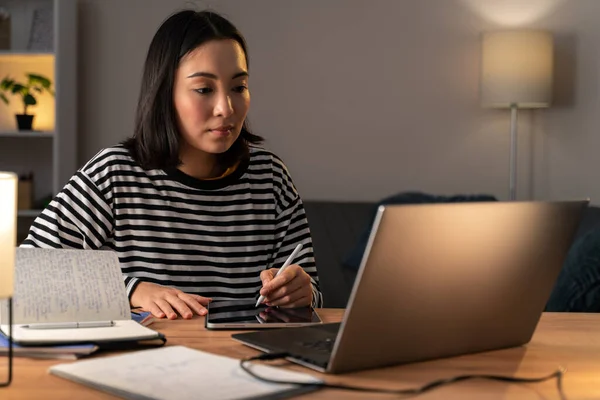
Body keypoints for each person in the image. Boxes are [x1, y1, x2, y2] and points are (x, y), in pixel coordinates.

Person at [21, 9, 323, 319]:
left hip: (243, 361)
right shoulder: (114, 174)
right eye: (204, 89)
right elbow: (25, 272)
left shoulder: (271, 179)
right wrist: (131, 290)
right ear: (165, 94)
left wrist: (302, 292)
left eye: (238, 87)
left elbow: (311, 294)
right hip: (141, 364)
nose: (226, 107)